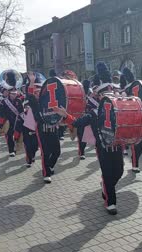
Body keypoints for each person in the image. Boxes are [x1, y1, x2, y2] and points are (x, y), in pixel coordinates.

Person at [55, 62, 124, 215]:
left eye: (110, 90)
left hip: (118, 146)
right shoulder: (94, 113)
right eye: (105, 92)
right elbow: (78, 122)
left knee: (119, 171)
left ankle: (105, 185)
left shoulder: (119, 109)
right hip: (103, 147)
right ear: (99, 96)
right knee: (107, 173)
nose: (110, 93)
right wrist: (65, 115)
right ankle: (110, 202)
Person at [0, 72, 24, 157]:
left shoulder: (19, 101)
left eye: (15, 93)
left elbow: (21, 112)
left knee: (18, 135)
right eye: (12, 94)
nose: (14, 95)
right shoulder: (4, 102)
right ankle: (11, 150)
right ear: (9, 93)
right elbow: (1, 113)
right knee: (9, 136)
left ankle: (18, 148)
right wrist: (2, 123)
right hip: (8, 121)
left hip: (17, 121)